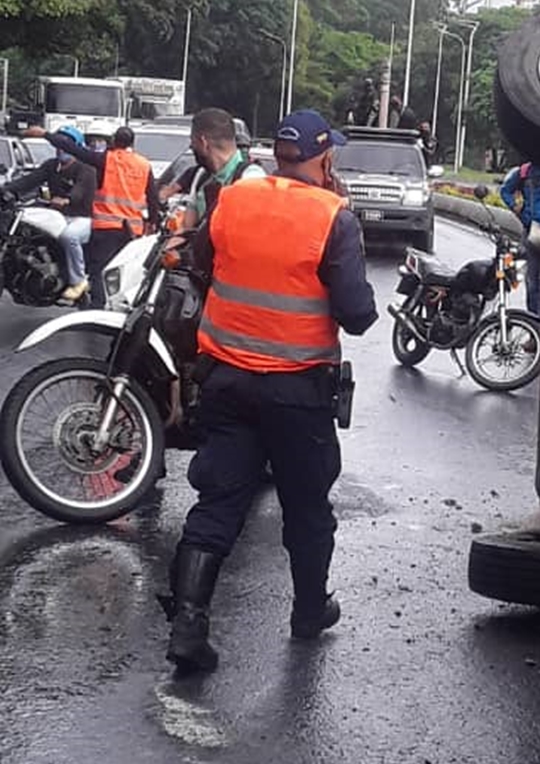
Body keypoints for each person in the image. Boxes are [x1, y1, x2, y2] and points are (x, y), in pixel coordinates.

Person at [159, 109, 377, 674]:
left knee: (219, 502)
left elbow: (202, 264)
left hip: (227, 382)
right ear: (325, 158)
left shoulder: (234, 199)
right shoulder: (334, 218)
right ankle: (308, 612)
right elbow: (356, 315)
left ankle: (188, 626)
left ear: (278, 155)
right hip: (297, 392)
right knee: (306, 507)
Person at [28, 124, 159, 308]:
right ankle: (116, 306)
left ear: (114, 141)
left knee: (99, 271)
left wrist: (45, 134)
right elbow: (153, 197)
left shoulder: (107, 159)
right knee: (121, 272)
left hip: (106, 227)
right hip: (132, 230)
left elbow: (74, 149)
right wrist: (152, 222)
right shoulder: (144, 165)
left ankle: (97, 309)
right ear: (132, 143)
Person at [2, 126, 97, 302]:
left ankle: (78, 282)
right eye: (59, 145)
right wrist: (6, 190)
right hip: (57, 215)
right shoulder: (52, 166)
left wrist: (67, 199)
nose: (61, 149)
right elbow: (28, 181)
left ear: (76, 146)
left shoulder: (86, 169)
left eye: (66, 145)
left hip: (82, 218)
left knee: (69, 237)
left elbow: (79, 191)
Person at [186, 107, 269, 227]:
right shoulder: (202, 176)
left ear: (203, 143)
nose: (191, 147)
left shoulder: (251, 178)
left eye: (192, 141)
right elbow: (186, 228)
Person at [499, 162, 540, 316]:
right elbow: (505, 192)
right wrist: (521, 212)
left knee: (539, 283)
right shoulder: (525, 171)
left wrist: (520, 211)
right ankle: (536, 325)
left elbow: (505, 191)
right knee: (535, 283)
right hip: (535, 231)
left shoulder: (525, 171)